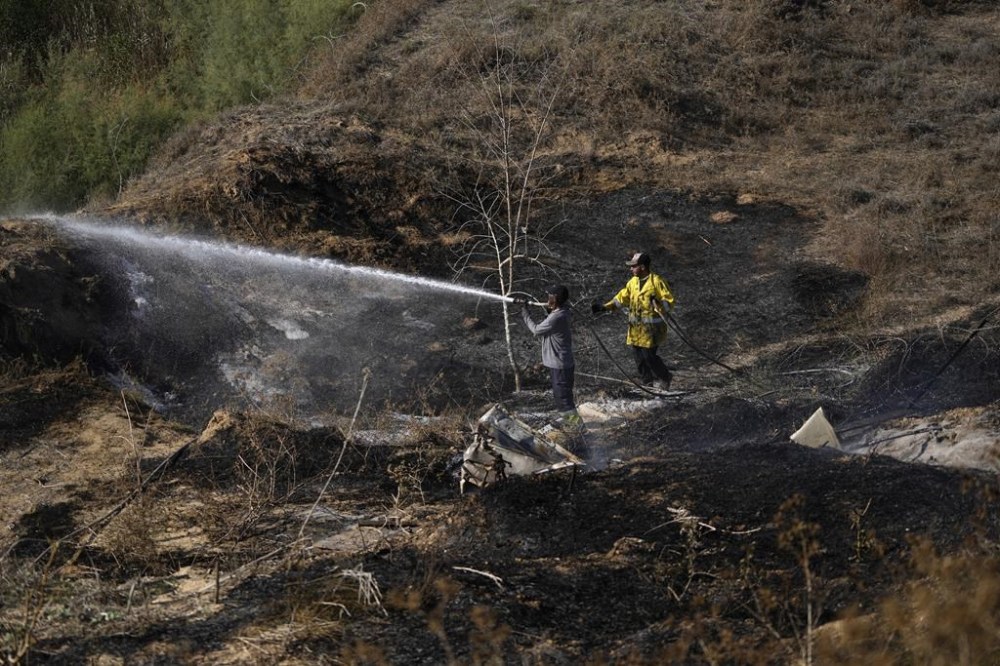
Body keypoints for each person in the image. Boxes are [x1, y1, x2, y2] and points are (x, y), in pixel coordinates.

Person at [592, 252, 675, 390]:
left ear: (642, 267)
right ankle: (647, 384)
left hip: (652, 330)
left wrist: (659, 303)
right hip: (636, 329)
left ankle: (665, 377)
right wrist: (604, 308)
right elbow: (621, 299)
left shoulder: (656, 282)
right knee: (639, 360)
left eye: (633, 266)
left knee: (649, 357)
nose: (631, 269)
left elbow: (669, 302)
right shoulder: (632, 283)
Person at [519, 284, 581, 427]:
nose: (547, 299)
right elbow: (552, 317)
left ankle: (578, 428)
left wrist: (525, 313)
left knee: (564, 400)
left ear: (555, 299)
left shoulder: (557, 317)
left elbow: (536, 330)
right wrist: (549, 310)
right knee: (563, 398)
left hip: (560, 366)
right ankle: (571, 423)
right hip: (561, 364)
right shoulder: (562, 311)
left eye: (550, 297)